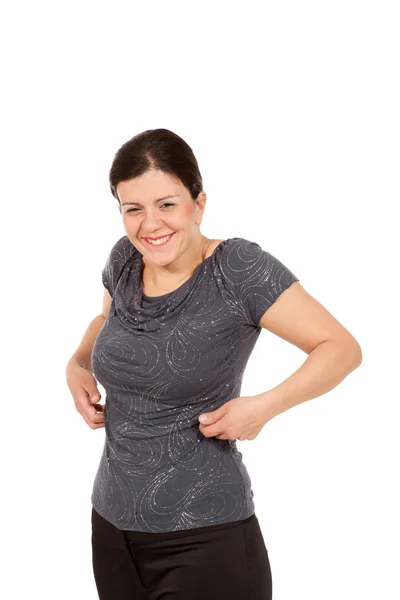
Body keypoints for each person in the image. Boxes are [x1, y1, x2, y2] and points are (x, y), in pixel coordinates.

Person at [66, 128, 362, 600]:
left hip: (204, 538)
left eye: (167, 204)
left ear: (198, 204)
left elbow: (341, 347)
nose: (150, 224)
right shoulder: (125, 259)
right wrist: (77, 363)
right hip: (112, 530)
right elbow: (106, 319)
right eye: (133, 209)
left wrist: (263, 407)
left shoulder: (237, 269)